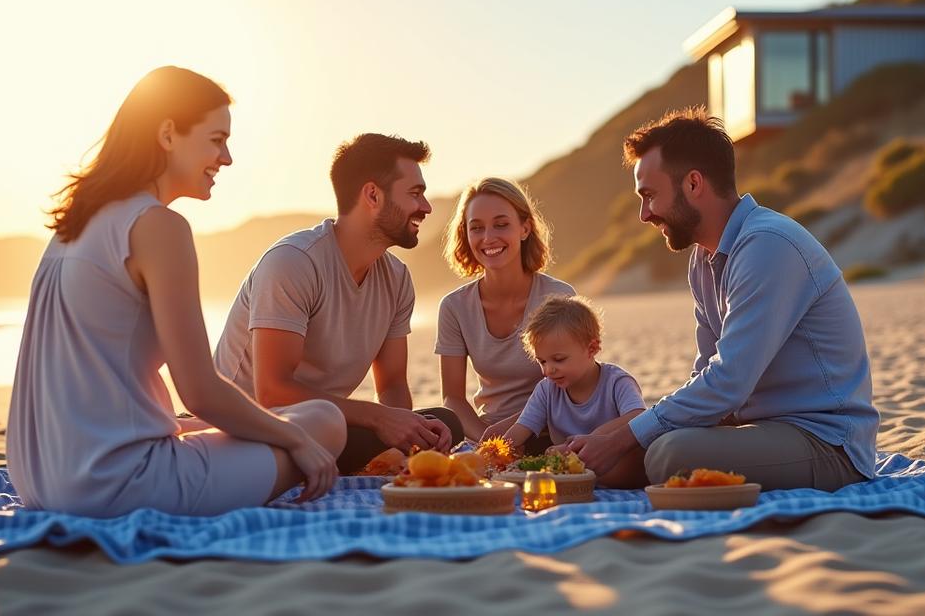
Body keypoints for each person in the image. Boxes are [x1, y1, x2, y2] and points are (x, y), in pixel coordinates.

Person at [6, 66, 346, 518]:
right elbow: (200, 390)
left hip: (38, 479)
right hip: (116, 485)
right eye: (216, 139)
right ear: (168, 134)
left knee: (253, 423)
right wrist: (297, 441)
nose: (226, 158)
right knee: (322, 421)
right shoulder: (158, 227)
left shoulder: (74, 226)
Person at [568, 106, 878, 491]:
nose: (644, 214)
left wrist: (623, 437)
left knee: (669, 454)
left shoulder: (767, 244)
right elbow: (705, 377)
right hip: (766, 430)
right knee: (640, 445)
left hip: (828, 443)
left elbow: (728, 382)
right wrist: (618, 435)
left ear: (694, 184)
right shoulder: (704, 259)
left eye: (649, 196)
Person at [213, 133, 461, 474]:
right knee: (329, 431)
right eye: (415, 194)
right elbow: (272, 392)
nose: (426, 207)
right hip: (250, 430)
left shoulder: (397, 278)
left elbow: (391, 385)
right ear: (372, 195)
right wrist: (378, 418)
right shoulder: (294, 262)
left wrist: (406, 443)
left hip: (325, 430)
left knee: (442, 425)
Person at [436, 177, 575, 453]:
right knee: (431, 422)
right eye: (477, 228)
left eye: (501, 225)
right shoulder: (454, 307)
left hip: (549, 432)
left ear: (524, 228)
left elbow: (571, 385)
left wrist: (515, 435)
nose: (488, 238)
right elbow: (453, 398)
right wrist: (490, 443)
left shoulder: (559, 297)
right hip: (486, 433)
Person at [502, 295, 647, 487]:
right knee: (533, 463)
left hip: (615, 463)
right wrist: (495, 453)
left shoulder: (617, 382)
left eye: (559, 359)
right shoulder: (546, 390)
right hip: (570, 468)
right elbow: (521, 429)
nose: (548, 370)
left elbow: (638, 415)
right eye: (542, 361)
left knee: (632, 458)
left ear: (591, 349)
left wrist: (587, 442)